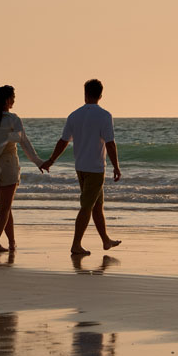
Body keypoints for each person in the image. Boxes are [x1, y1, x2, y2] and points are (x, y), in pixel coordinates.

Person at [41, 79, 122, 256]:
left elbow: (63, 141)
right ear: (101, 95)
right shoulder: (104, 116)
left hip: (80, 167)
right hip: (96, 168)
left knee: (97, 206)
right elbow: (110, 143)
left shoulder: (74, 115)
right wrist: (116, 166)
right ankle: (76, 245)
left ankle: (105, 240)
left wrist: (51, 160)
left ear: (85, 93)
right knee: (87, 207)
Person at [0, 85, 45, 252]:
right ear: (7, 100)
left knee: (5, 208)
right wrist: (37, 161)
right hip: (8, 167)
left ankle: (11, 242)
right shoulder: (13, 119)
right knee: (4, 208)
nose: (14, 100)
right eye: (13, 97)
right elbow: (24, 142)